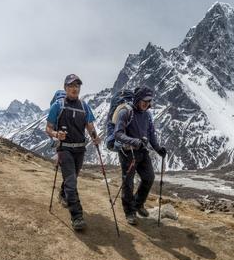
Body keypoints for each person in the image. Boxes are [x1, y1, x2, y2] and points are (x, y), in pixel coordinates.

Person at [45, 74, 101, 231]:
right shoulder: (58, 105)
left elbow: (89, 125)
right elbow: (48, 128)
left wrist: (95, 137)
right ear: (65, 88)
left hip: (80, 149)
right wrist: (56, 135)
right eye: (71, 86)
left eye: (77, 86)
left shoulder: (84, 106)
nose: (74, 88)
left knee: (72, 178)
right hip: (65, 149)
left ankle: (63, 194)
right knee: (71, 182)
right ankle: (77, 216)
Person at [113, 86, 167, 225]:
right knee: (128, 183)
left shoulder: (147, 115)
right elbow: (118, 134)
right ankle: (129, 212)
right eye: (145, 100)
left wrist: (158, 148)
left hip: (142, 151)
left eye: (149, 101)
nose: (147, 103)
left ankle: (137, 204)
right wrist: (135, 141)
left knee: (149, 177)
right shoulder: (125, 112)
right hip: (128, 152)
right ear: (138, 98)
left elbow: (151, 135)